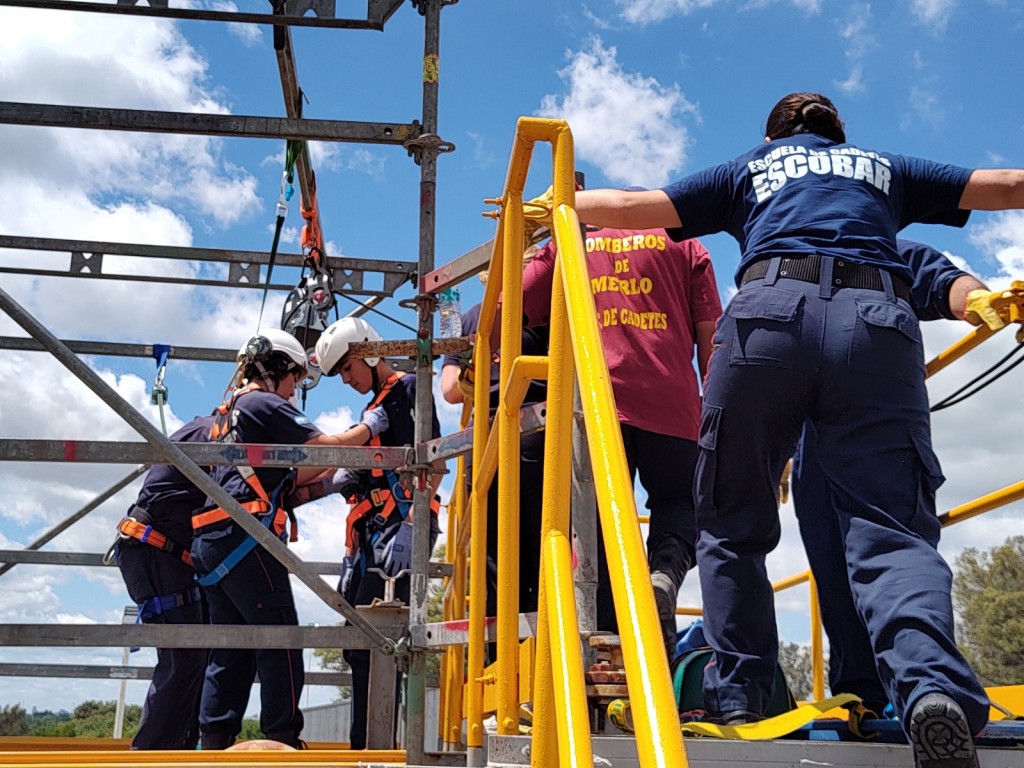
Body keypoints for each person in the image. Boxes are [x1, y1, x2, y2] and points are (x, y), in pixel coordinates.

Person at [529, 92, 1024, 767]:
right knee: (893, 529)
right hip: (875, 323)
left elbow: (628, 208)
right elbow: (1006, 187)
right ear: (838, 134)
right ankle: (931, 689)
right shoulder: (882, 170)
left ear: (774, 136)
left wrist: (559, 204)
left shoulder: (750, 169)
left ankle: (737, 698)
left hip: (767, 319)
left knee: (732, 524)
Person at [793, 240, 991, 717]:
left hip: (872, 436)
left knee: (890, 553)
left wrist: (983, 299)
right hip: (815, 447)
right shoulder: (792, 253)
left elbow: (948, 285)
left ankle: (920, 687)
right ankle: (877, 694)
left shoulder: (891, 249)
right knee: (838, 568)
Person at [516, 222, 721, 658]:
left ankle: (615, 654)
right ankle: (664, 573)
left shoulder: (572, 235)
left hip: (597, 404)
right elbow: (711, 338)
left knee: (603, 528)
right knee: (682, 502)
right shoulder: (685, 241)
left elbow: (515, 302)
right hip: (674, 400)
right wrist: (716, 412)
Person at [191, 328, 392, 750]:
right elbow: (326, 449)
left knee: (230, 646)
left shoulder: (227, 412)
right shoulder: (264, 403)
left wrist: (330, 481)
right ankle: (281, 735)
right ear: (278, 370)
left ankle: (214, 738)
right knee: (282, 635)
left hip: (213, 540)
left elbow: (290, 472)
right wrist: (368, 426)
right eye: (295, 381)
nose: (293, 391)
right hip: (245, 537)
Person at [313, 317, 443, 750]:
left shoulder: (407, 390)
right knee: (359, 647)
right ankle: (365, 746)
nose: (346, 379)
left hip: (399, 531)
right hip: (375, 536)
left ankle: (382, 749)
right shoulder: (380, 403)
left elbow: (435, 461)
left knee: (384, 647)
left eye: (347, 368)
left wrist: (412, 525)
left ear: (368, 353)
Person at [440, 246, 549, 637]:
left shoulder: (473, 319)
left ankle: (497, 659)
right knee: (548, 545)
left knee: (494, 558)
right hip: (543, 435)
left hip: (487, 444)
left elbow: (450, 390)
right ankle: (547, 655)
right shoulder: (549, 308)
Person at [113, 414, 215, 750]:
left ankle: (180, 751)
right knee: (182, 661)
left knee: (195, 658)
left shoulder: (206, 428)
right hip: (155, 550)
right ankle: (150, 756)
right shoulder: (214, 434)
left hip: (160, 552)